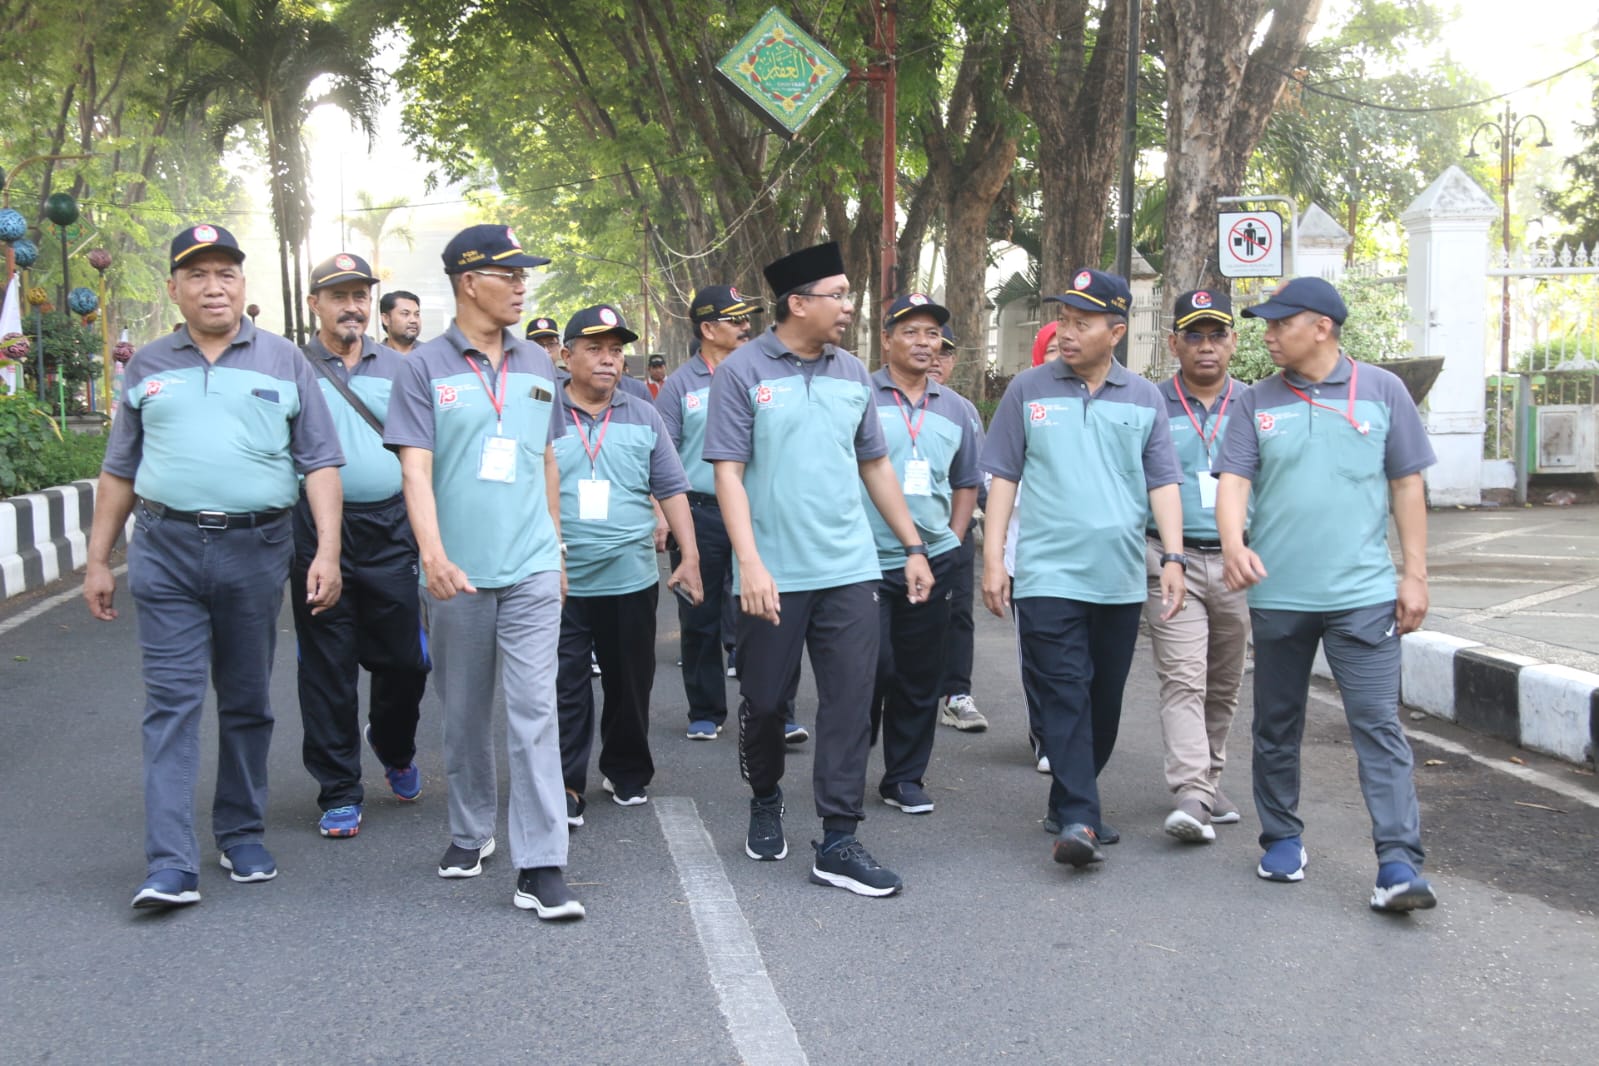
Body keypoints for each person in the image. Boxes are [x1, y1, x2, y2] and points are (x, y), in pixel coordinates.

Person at [83, 223, 345, 909]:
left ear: (242, 285)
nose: (213, 286)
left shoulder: (285, 362)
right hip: (164, 550)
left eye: (225, 272)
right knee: (170, 704)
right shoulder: (146, 366)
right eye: (197, 275)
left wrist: (326, 549)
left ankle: (239, 830)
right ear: (175, 288)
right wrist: (97, 562)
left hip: (256, 551)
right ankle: (170, 862)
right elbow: (118, 470)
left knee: (248, 699)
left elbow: (319, 461)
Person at [704, 241, 933, 897]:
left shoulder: (852, 372)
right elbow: (728, 471)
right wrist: (749, 563)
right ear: (798, 303)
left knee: (848, 704)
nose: (848, 305)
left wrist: (911, 546)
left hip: (847, 568)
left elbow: (874, 464)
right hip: (772, 572)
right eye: (837, 294)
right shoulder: (743, 372)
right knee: (767, 701)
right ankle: (764, 793)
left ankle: (838, 837)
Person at [1215, 276, 1438, 912]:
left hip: (1363, 596)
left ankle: (1397, 862)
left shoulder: (1383, 391)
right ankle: (1282, 837)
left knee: (1378, 726)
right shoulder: (1256, 400)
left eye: (1280, 323)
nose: (1268, 333)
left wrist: (1414, 574)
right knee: (1277, 724)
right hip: (1279, 595)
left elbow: (1406, 487)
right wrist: (1233, 543)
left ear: (1321, 326)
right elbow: (1233, 480)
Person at [383, 224, 583, 921]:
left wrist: (555, 550)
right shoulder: (422, 367)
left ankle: (540, 864)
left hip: (530, 566)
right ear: (471, 282)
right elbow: (415, 467)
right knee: (465, 714)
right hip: (457, 574)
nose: (523, 285)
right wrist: (432, 555)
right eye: (511, 274)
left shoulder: (536, 362)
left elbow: (548, 460)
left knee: (533, 712)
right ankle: (470, 832)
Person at [981, 268, 1185, 870]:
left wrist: (1171, 556)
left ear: (1116, 331)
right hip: (1046, 572)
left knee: (1104, 699)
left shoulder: (1145, 398)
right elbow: (1004, 479)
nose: (1066, 333)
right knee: (1064, 690)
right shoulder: (1028, 389)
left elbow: (1164, 482)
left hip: (1118, 576)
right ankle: (1077, 816)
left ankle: (1069, 797)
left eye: (1082, 323)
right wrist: (994, 559)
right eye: (1064, 321)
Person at [293, 253, 430, 840]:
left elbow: (424, 456)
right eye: (339, 295)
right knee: (327, 667)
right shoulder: (291, 365)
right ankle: (340, 790)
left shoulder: (402, 369)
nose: (353, 306)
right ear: (314, 305)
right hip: (315, 534)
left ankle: (393, 744)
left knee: (407, 660)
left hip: (391, 530)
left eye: (360, 295)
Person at [553, 305, 703, 827]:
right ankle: (567, 782)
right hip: (561, 578)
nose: (608, 360)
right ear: (566, 355)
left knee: (629, 681)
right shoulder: (542, 412)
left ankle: (626, 768)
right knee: (564, 684)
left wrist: (690, 555)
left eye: (616, 351)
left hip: (630, 575)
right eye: (594, 349)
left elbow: (672, 487)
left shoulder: (643, 413)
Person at [867, 296, 981, 814]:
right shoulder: (859, 396)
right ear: (887, 338)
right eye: (911, 332)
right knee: (871, 667)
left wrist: (953, 540)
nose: (923, 343)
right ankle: (848, 765)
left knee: (918, 673)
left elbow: (965, 482)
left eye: (932, 335)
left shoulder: (957, 409)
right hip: (864, 557)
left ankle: (904, 777)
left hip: (933, 558)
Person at [1145, 290, 1250, 844]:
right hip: (1170, 560)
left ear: (1233, 342)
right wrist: (1169, 554)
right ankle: (1190, 790)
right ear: (1173, 344)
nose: (1206, 347)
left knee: (1222, 682)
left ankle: (1208, 780)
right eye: (1194, 335)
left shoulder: (1255, 405)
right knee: (1183, 676)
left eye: (1216, 335)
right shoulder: (1152, 404)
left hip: (1237, 561)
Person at [930, 322, 988, 733]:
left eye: (946, 351)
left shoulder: (963, 410)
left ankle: (956, 694)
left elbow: (978, 476)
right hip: (890, 536)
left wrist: (962, 528)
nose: (936, 358)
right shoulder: (875, 400)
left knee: (958, 613)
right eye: (929, 345)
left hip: (954, 529)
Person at [380, 290, 422, 354]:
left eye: (417, 314)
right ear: (386, 319)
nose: (414, 320)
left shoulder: (431, 355)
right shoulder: (374, 357)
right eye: (405, 314)